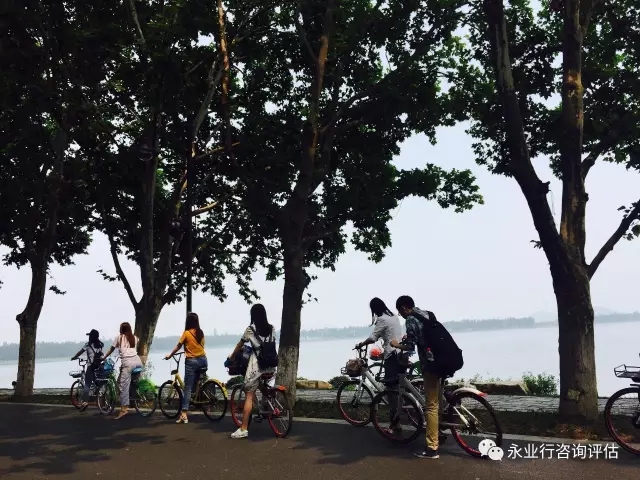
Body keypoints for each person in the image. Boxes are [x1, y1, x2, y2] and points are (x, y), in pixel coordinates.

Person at [391, 295, 441, 459]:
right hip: (443, 359)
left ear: (404, 308)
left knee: (431, 406)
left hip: (430, 364)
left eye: (400, 312)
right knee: (437, 400)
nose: (401, 315)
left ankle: (432, 448)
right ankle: (438, 430)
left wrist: (396, 344)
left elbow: (411, 347)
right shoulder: (427, 314)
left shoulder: (411, 319)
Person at [226, 303, 276, 439]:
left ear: (253, 315)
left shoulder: (250, 329)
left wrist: (232, 356)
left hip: (257, 365)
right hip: (271, 364)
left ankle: (243, 429)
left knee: (249, 395)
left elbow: (240, 345)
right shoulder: (272, 328)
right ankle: (265, 408)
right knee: (261, 384)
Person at [355, 297, 403, 434]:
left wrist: (361, 344)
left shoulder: (382, 319)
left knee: (391, 390)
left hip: (391, 355)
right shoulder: (394, 316)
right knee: (397, 387)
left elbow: (373, 338)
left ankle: (395, 424)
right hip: (400, 353)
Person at [165, 312, 207, 424]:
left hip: (191, 361)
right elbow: (201, 346)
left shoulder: (187, 333)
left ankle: (183, 414)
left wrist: (170, 355)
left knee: (187, 388)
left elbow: (178, 346)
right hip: (203, 360)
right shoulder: (201, 332)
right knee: (197, 382)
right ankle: (196, 399)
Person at [102, 322, 143, 420]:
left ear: (121, 329)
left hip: (128, 363)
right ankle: (135, 397)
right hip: (138, 362)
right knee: (132, 382)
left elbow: (112, 349)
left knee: (122, 386)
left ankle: (124, 409)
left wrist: (104, 357)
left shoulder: (119, 338)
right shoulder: (135, 338)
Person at [71, 329, 104, 412]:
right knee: (98, 384)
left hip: (91, 367)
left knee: (87, 384)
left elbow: (80, 352)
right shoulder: (100, 344)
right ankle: (101, 403)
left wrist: (74, 357)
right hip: (99, 366)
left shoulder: (88, 345)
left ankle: (85, 402)